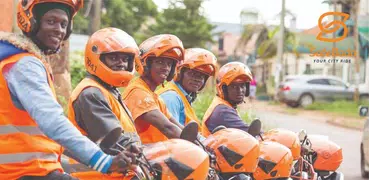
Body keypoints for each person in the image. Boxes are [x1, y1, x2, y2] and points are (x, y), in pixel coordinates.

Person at [0, 1, 138, 179]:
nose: (59, 29)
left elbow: (50, 134)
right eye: (51, 21)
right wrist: (104, 161)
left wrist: (102, 156)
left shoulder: (17, 59)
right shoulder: (25, 64)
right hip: (24, 172)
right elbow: (53, 122)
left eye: (63, 24)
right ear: (32, 22)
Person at [64, 27, 141, 179]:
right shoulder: (90, 93)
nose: (121, 64)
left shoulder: (109, 91)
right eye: (114, 58)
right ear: (96, 59)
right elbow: (114, 141)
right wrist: (146, 152)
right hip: (94, 175)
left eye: (125, 59)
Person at [122, 34, 185, 144]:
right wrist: (192, 145)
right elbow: (168, 127)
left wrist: (202, 143)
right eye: (160, 62)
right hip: (142, 158)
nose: (165, 68)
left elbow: (176, 125)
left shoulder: (154, 97)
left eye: (169, 64)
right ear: (146, 65)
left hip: (158, 157)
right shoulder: (138, 92)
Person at [157, 48, 217, 128]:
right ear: (180, 74)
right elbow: (172, 133)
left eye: (201, 76)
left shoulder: (184, 96)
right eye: (192, 74)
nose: (197, 79)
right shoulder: (171, 97)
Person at [201, 62, 253, 137]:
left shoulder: (222, 104)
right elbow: (251, 133)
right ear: (223, 89)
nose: (240, 90)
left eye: (242, 85)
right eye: (234, 87)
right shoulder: (223, 111)